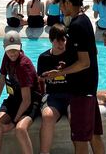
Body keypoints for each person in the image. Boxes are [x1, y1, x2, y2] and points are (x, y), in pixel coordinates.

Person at [41, 0, 103, 154]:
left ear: (68, 3)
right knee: (94, 135)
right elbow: (92, 53)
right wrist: (67, 64)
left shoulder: (76, 25)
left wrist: (59, 72)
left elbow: (84, 62)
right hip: (90, 87)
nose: (60, 7)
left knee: (80, 139)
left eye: (61, 4)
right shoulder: (85, 20)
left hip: (80, 91)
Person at [0, 32, 42, 154]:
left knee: (20, 129)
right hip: (14, 98)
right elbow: (1, 81)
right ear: (4, 49)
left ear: (21, 47)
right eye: (9, 50)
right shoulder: (6, 58)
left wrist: (13, 122)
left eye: (15, 50)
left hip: (31, 101)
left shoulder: (23, 65)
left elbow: (27, 100)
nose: (12, 53)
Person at [36, 24, 75, 154]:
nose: (61, 43)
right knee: (47, 116)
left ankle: (80, 150)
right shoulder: (44, 58)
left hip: (71, 95)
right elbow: (40, 79)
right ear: (51, 40)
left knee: (74, 116)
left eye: (63, 40)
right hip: (54, 96)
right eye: (57, 40)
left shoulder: (72, 55)